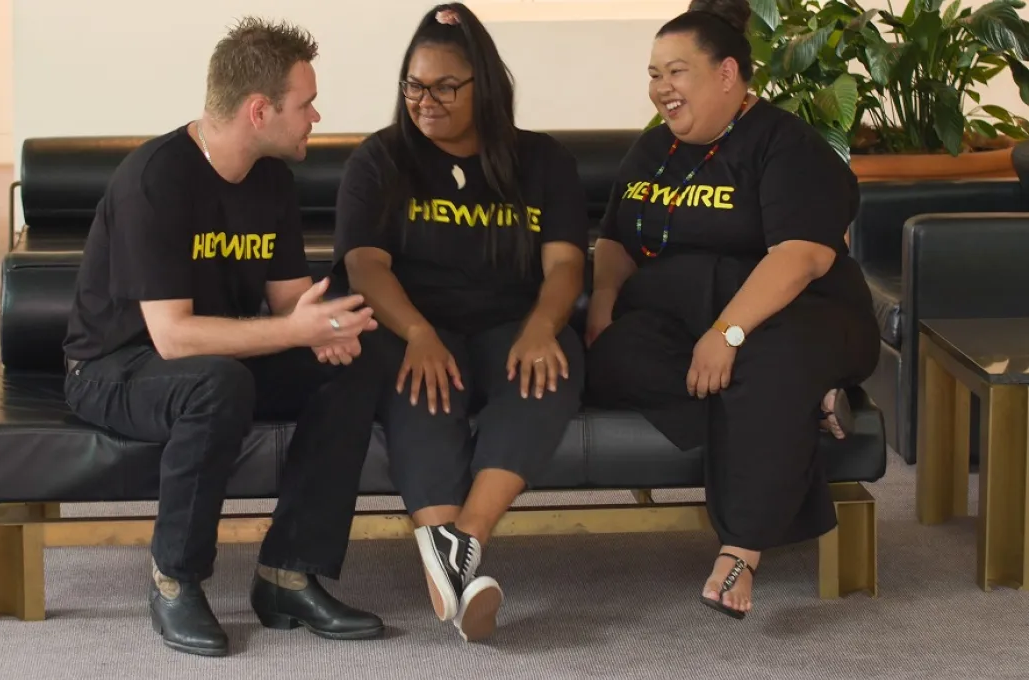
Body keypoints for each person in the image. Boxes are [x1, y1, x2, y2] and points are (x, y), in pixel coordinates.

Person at [61, 17, 388, 657]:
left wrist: (326, 329)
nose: (316, 116)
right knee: (215, 382)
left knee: (355, 365)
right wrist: (293, 329)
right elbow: (174, 338)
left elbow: (290, 299)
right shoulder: (155, 180)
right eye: (306, 104)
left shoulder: (270, 179)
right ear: (260, 110)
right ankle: (174, 579)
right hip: (114, 366)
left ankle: (288, 574)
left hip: (214, 358)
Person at [583, 0, 880, 620]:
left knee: (761, 366)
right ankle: (807, 405)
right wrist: (602, 310)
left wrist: (729, 331)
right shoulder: (651, 151)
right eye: (653, 73)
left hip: (800, 313)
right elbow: (613, 240)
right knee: (613, 358)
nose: (661, 88)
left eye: (676, 72)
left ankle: (740, 548)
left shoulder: (786, 146)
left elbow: (800, 257)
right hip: (685, 315)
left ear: (727, 74)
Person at [331, 3, 588, 642]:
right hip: (414, 322)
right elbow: (364, 265)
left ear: (486, 86)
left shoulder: (542, 161)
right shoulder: (379, 159)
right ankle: (459, 568)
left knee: (550, 368)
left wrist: (542, 325)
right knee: (423, 387)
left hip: (511, 320)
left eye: (446, 86)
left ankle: (461, 546)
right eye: (414, 86)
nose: (426, 101)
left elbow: (564, 265)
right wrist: (417, 332)